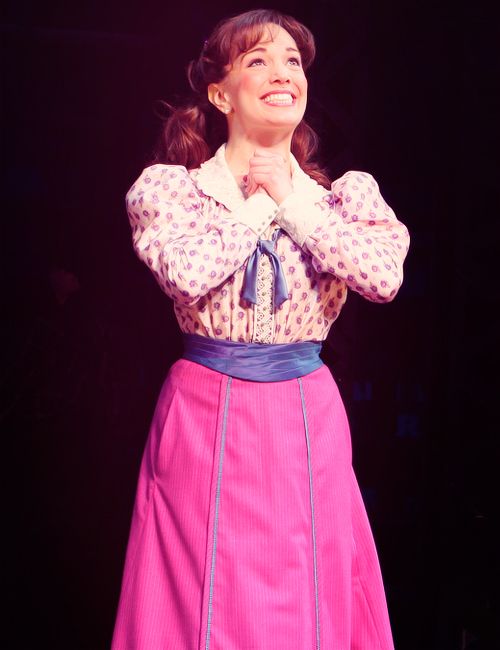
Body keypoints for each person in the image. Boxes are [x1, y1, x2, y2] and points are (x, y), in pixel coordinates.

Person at [111, 8, 409, 650]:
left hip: (303, 412)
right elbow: (186, 274)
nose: (282, 74)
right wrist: (254, 204)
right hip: (203, 410)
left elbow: (384, 277)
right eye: (258, 60)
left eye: (292, 62)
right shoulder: (173, 192)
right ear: (221, 94)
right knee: (201, 589)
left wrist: (294, 201)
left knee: (305, 589)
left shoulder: (341, 199)